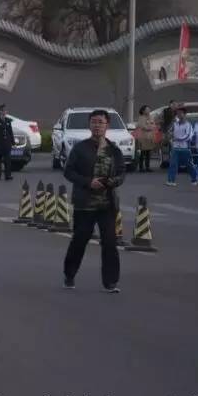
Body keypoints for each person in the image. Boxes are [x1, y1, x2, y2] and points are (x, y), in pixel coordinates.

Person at [61, 109, 125, 293]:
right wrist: (89, 182)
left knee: (110, 242)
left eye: (101, 122)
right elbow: (68, 171)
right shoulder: (80, 148)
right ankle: (69, 275)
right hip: (85, 204)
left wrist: (112, 182)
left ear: (107, 125)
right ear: (89, 125)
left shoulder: (114, 150)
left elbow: (122, 173)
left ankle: (111, 281)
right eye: (94, 122)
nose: (97, 126)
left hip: (107, 205)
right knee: (80, 240)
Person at [165, 108, 193, 187]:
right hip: (176, 148)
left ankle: (195, 177)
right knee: (173, 164)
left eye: (181, 113)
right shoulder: (175, 124)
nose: (179, 115)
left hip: (185, 148)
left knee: (189, 165)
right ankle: (171, 180)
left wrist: (177, 139)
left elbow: (187, 136)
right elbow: (169, 132)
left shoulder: (188, 125)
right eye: (178, 113)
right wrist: (170, 139)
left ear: (184, 114)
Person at [135, 105, 157, 173]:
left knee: (148, 153)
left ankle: (147, 167)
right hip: (143, 138)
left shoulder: (151, 117)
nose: (148, 110)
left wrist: (151, 126)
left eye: (149, 109)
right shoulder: (141, 117)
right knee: (142, 153)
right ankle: (141, 168)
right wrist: (149, 127)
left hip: (149, 138)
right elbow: (142, 126)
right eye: (147, 109)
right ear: (143, 111)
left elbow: (154, 125)